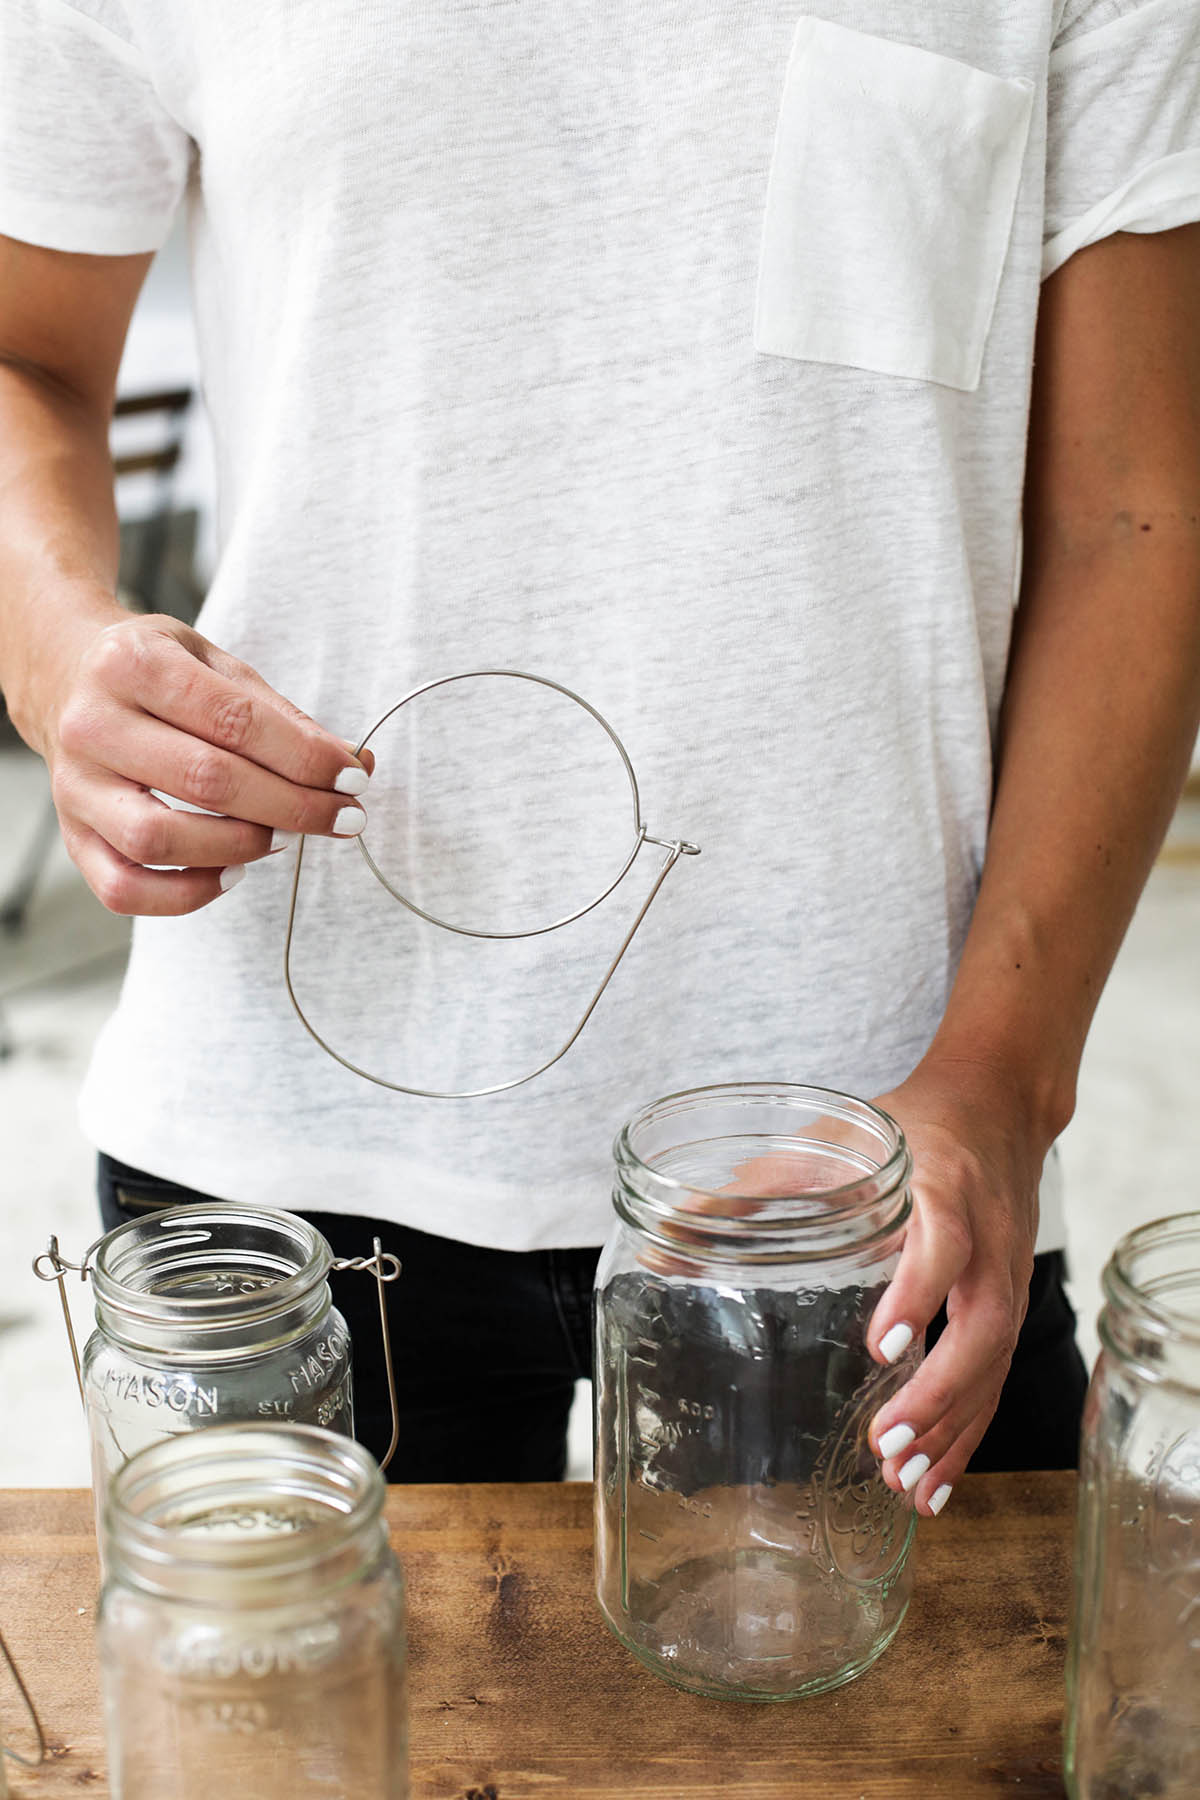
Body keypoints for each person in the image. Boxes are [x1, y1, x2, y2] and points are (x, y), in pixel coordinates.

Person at [1, 2, 1198, 1510]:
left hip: (883, 1161)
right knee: (291, 1738)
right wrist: (59, 653)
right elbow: (24, 356)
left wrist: (1003, 1080)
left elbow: (1133, 518)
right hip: (285, 1152)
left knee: (935, 1744)